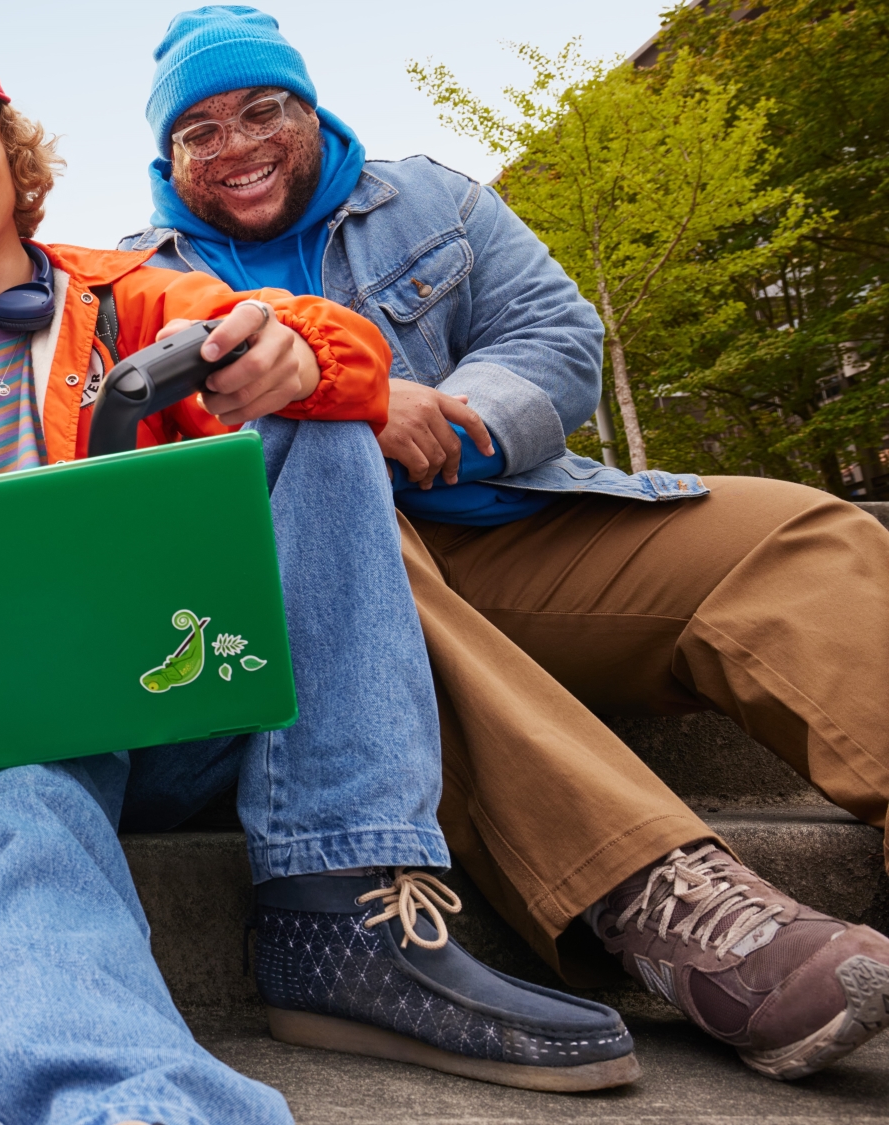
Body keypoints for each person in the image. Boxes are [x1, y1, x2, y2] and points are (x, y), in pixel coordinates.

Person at [0, 29, 639, 1123]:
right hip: (2, 737)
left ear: (15, 161)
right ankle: (125, 1106)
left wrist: (301, 352)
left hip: (174, 699)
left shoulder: (135, 295)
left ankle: (342, 895)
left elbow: (324, 343)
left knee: (319, 424)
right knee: (4, 816)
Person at [121, 4, 889, 1082]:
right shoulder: (127, 279)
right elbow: (153, 467)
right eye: (198, 132)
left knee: (798, 529)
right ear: (166, 160)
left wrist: (461, 416)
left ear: (310, 110)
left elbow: (555, 334)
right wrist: (352, 405)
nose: (236, 144)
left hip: (515, 521)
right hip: (330, 585)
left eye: (262, 110)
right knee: (346, 543)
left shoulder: (430, 199)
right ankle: (666, 904)